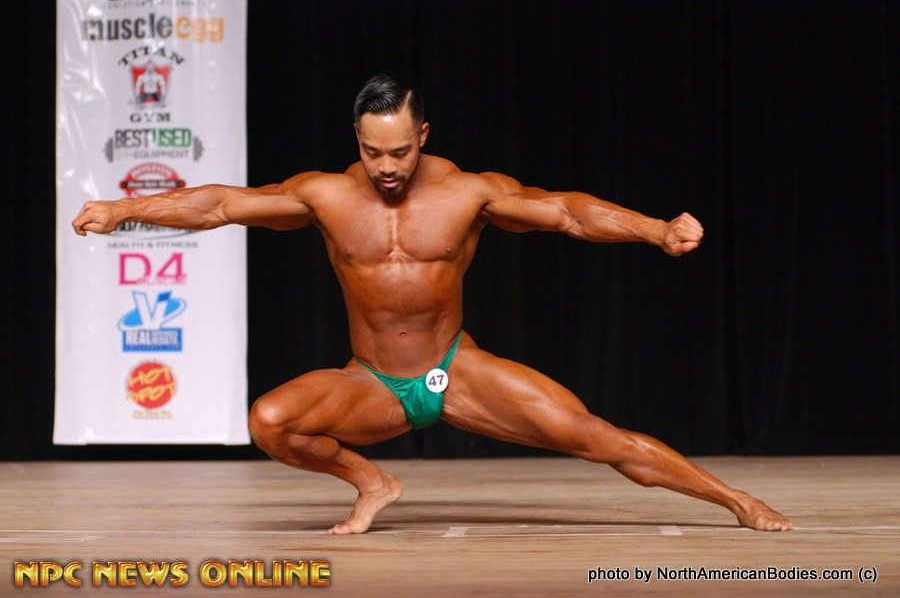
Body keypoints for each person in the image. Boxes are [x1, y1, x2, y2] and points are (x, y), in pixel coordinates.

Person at [73, 74, 793, 534]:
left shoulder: (467, 193)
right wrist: (121, 210)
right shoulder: (325, 195)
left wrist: (655, 229)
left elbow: (566, 212)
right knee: (271, 420)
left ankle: (736, 501)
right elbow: (221, 204)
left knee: (595, 436)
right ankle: (373, 481)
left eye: (400, 152)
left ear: (422, 135)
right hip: (372, 383)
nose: (387, 168)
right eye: (372, 152)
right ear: (357, 140)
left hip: (456, 369)